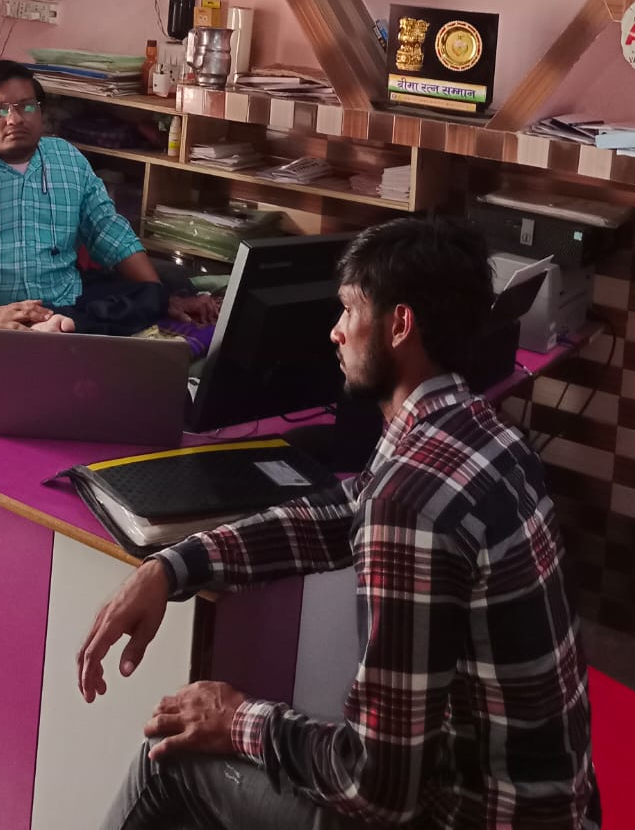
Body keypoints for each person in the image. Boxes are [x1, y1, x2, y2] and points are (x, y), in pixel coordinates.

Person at [78, 217, 601, 830]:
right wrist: (172, 567)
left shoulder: (409, 503)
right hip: (553, 810)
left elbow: (374, 785)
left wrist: (236, 718)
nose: (335, 331)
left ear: (399, 325)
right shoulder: (483, 434)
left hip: (468, 816)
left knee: (173, 759)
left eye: (349, 310)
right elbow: (342, 512)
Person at [0, 61, 215, 335]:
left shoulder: (67, 159)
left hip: (66, 300)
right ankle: (45, 333)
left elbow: (110, 232)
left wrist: (159, 298)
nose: (15, 119)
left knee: (150, 294)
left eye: (27, 107)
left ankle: (53, 330)